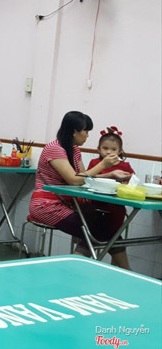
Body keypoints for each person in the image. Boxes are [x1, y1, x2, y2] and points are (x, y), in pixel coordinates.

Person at [29, 111, 132, 269]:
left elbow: (85, 178)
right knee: (100, 231)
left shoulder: (75, 150)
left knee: (108, 227)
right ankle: (76, 271)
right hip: (46, 205)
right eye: (86, 131)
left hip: (69, 204)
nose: (87, 135)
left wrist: (111, 174)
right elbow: (74, 179)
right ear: (74, 131)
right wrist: (103, 165)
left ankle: (124, 272)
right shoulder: (54, 149)